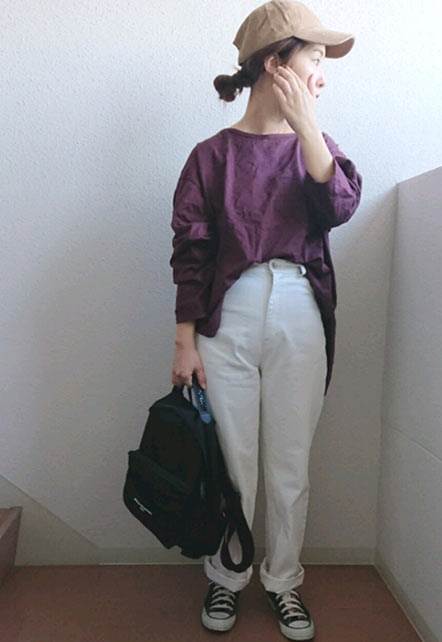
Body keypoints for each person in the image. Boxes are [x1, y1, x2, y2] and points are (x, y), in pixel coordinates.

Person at [169, 1, 363, 639]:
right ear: (277, 63)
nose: (322, 76)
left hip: (300, 306)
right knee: (232, 458)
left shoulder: (317, 149)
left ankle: (283, 581)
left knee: (289, 462)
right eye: (315, 59)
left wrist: (308, 127)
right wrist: (184, 342)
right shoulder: (211, 156)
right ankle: (227, 578)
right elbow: (191, 253)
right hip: (227, 312)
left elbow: (340, 207)